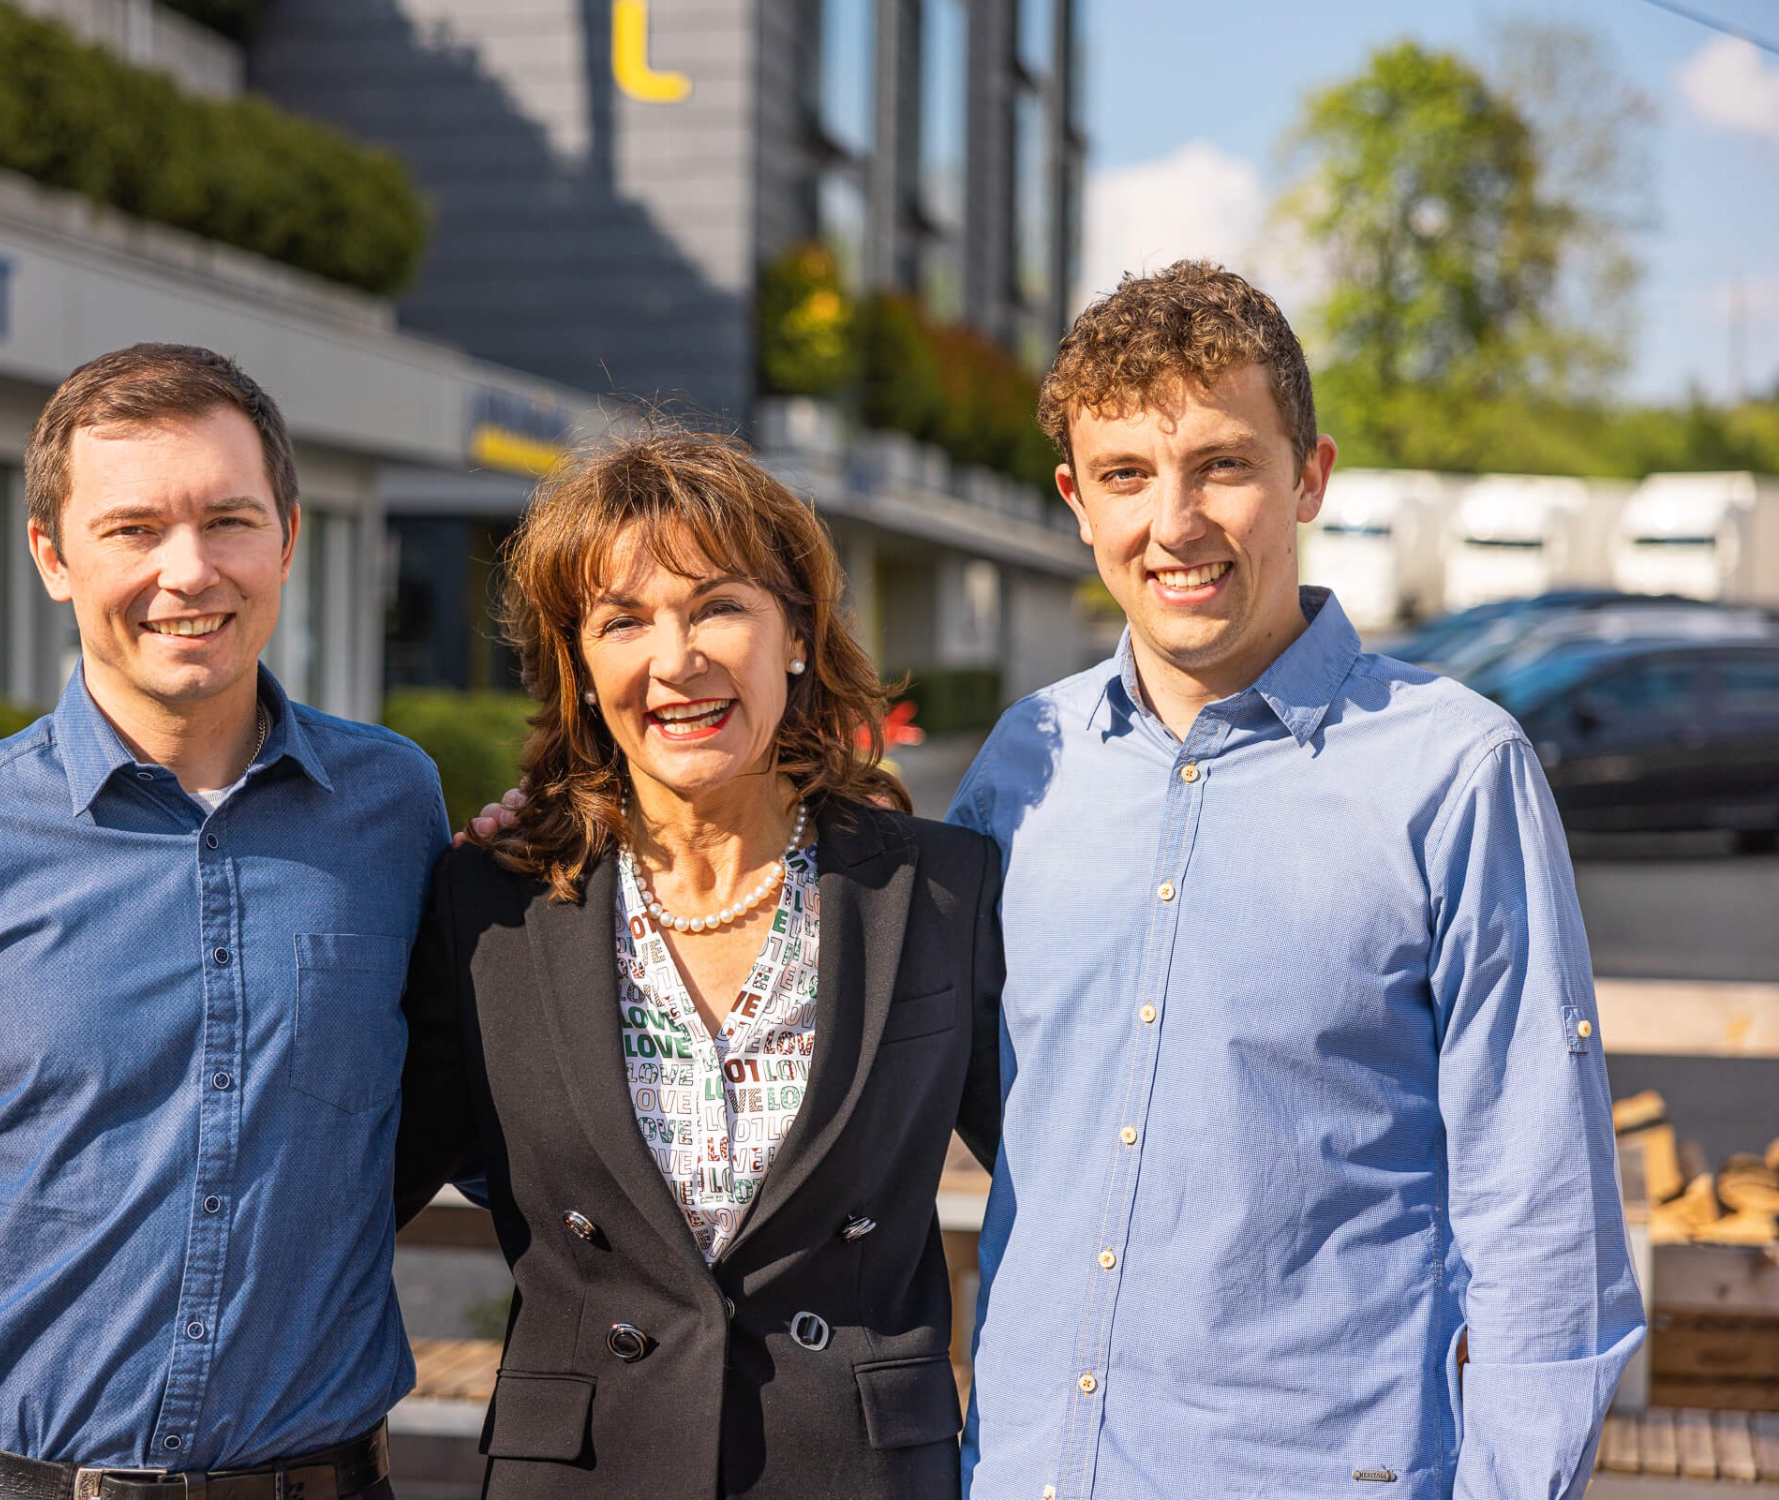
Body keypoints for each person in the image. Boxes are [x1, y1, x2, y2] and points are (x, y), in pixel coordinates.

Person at [951, 263, 1643, 1498]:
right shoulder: (1022, 768)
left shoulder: (1453, 770)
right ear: (1073, 499)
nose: (1174, 522)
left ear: (1306, 476)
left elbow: (1543, 1217)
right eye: (1124, 475)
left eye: (1221, 464)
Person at [0, 345, 446, 1500]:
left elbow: (469, 1092)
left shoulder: (394, 807)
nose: (188, 571)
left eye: (227, 519)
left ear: (287, 539)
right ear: (52, 557)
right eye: (131, 530)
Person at [397, 430, 1006, 1499]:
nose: (673, 660)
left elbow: (1069, 1178)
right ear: (579, 669)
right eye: (621, 621)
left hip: (854, 1471)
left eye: (716, 606)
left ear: (798, 636)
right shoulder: (489, 906)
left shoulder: (941, 893)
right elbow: (359, 1175)